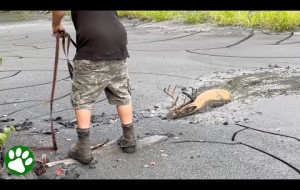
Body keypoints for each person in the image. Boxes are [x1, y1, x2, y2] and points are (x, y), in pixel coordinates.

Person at [52, 11, 136, 165]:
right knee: (122, 92)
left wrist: (56, 24)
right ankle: (129, 139)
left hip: (92, 42)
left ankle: (83, 148)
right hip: (117, 38)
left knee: (83, 98)